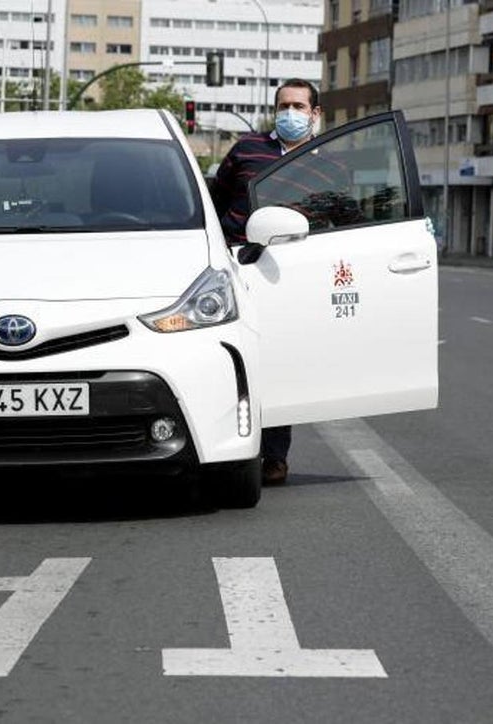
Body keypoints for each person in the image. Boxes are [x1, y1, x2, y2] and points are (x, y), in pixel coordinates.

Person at [210, 78, 323, 486]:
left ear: (315, 114)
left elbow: (341, 219)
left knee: (279, 364)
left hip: (294, 276)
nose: (290, 113)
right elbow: (217, 200)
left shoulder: (329, 165)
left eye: (298, 106)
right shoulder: (247, 149)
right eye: (283, 106)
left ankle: (274, 456)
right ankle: (227, 449)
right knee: (234, 361)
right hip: (240, 268)